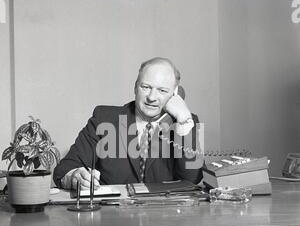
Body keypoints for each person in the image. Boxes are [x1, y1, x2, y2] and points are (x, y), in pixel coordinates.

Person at [53, 57, 203, 189]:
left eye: (162, 90)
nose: (152, 97)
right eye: (146, 87)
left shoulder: (187, 122)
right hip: (112, 216)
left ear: (175, 94)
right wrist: (75, 177)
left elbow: (193, 180)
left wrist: (183, 121)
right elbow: (63, 170)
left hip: (163, 217)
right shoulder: (104, 119)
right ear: (135, 87)